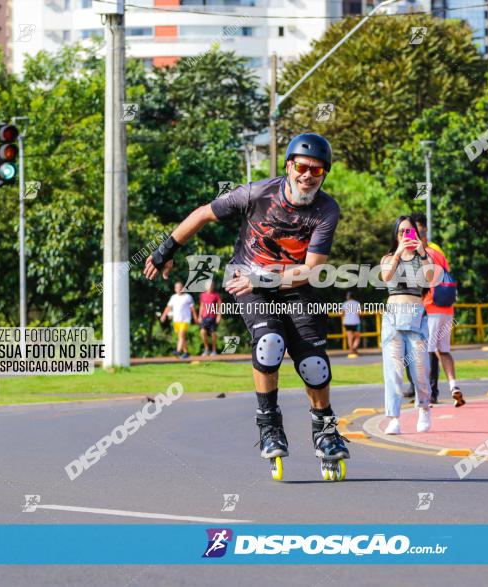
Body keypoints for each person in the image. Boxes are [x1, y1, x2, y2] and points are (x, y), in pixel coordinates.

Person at [143, 133, 350, 478]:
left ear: (324, 174)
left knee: (314, 364)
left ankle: (325, 428)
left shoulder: (327, 209)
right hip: (247, 282)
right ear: (288, 166)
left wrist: (264, 278)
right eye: (301, 167)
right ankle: (269, 423)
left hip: (295, 285)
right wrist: (166, 249)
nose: (308, 176)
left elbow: (311, 269)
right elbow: (204, 214)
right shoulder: (256, 193)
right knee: (270, 345)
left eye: (317, 171)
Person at [380, 216, 438, 435]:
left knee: (420, 369)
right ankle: (394, 417)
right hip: (393, 319)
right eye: (401, 232)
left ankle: (424, 408)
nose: (406, 235)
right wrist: (397, 253)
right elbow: (386, 276)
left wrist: (422, 252)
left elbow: (430, 278)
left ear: (417, 233)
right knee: (393, 371)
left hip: (416, 317)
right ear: (396, 235)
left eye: (409, 231)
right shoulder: (388, 257)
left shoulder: (424, 258)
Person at [406, 212, 464, 407]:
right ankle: (454, 386)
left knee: (427, 352)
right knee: (444, 351)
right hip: (447, 309)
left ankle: (428, 393)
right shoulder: (438, 253)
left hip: (430, 306)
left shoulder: (419, 255)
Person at [160, 281, 197, 359]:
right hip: (176, 320)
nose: (179, 289)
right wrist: (163, 315)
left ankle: (178, 351)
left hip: (185, 320)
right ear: (175, 289)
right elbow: (168, 307)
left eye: (180, 287)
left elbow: (192, 308)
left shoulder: (188, 297)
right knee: (182, 337)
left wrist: (195, 317)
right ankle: (186, 353)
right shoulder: (173, 297)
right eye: (177, 287)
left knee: (181, 335)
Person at [198, 280, 222, 357]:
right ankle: (206, 349)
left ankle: (214, 350)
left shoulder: (216, 295)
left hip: (213, 317)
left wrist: (219, 316)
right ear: (206, 286)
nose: (210, 286)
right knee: (202, 332)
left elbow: (220, 306)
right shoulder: (202, 295)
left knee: (213, 333)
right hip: (204, 317)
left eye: (211, 285)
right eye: (208, 285)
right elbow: (201, 306)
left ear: (213, 286)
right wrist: (199, 316)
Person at [341, 291, 361, 358]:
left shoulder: (344, 304)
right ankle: (354, 348)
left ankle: (351, 350)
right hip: (356, 322)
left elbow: (342, 314)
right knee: (357, 337)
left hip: (347, 322)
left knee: (350, 338)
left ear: (348, 297)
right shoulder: (357, 303)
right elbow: (359, 313)